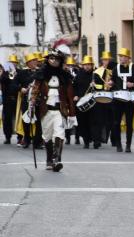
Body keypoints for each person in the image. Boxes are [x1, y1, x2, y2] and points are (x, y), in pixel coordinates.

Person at [29, 40, 77, 172]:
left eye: (56, 59)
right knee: (47, 137)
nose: (54, 61)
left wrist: (72, 114)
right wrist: (31, 105)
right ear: (47, 60)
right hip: (45, 111)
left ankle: (57, 159)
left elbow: (70, 98)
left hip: (60, 111)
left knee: (59, 135)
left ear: (60, 61)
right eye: (51, 58)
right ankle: (49, 159)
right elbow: (34, 91)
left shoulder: (65, 77)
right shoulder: (41, 75)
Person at [108, 47, 134, 152]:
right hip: (117, 99)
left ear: (128, 58)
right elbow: (113, 81)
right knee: (116, 122)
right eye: (120, 57)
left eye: (123, 57)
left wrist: (132, 84)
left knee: (129, 122)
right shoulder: (116, 68)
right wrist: (110, 83)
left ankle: (128, 145)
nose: (121, 59)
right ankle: (118, 144)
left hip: (130, 99)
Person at [17, 53, 43, 150]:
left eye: (36, 60)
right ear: (28, 63)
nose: (35, 62)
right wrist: (21, 88)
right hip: (26, 101)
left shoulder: (40, 72)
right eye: (32, 61)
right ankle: (27, 140)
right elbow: (14, 85)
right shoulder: (22, 73)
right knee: (26, 121)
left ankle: (38, 142)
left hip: (38, 100)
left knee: (39, 122)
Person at [91, 51, 114, 149]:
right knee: (98, 120)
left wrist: (112, 85)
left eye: (108, 60)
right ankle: (97, 140)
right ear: (102, 61)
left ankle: (113, 140)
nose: (106, 61)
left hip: (111, 98)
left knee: (111, 120)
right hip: (100, 98)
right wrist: (99, 85)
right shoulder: (97, 72)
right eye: (105, 60)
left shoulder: (114, 71)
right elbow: (95, 85)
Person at [72, 55, 95, 148]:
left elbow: (102, 86)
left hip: (93, 102)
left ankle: (93, 138)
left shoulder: (95, 74)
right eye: (85, 64)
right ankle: (86, 140)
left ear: (92, 65)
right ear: (82, 65)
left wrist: (95, 85)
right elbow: (74, 87)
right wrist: (76, 95)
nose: (87, 66)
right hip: (81, 101)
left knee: (93, 121)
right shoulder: (79, 75)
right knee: (83, 121)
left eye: (89, 64)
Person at [0, 55, 20, 144]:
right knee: (7, 119)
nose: (13, 65)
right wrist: (8, 74)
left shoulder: (20, 72)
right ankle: (8, 137)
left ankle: (20, 137)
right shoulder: (5, 73)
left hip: (18, 99)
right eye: (11, 63)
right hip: (7, 100)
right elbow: (2, 80)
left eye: (15, 63)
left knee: (19, 118)